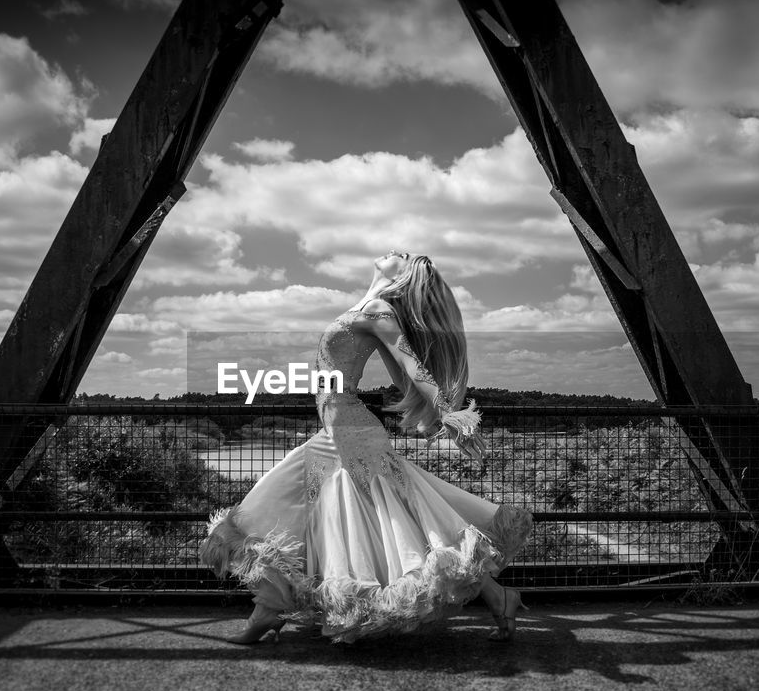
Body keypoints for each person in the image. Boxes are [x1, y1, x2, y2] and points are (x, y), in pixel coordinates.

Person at [201, 251, 533, 644]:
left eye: (405, 256)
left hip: (347, 432)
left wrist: (448, 413)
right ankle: (499, 598)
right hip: (338, 431)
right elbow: (402, 371)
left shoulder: (377, 310)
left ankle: (265, 615)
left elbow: (412, 366)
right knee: (395, 516)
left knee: (273, 508)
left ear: (404, 275)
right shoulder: (367, 309)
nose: (397, 251)